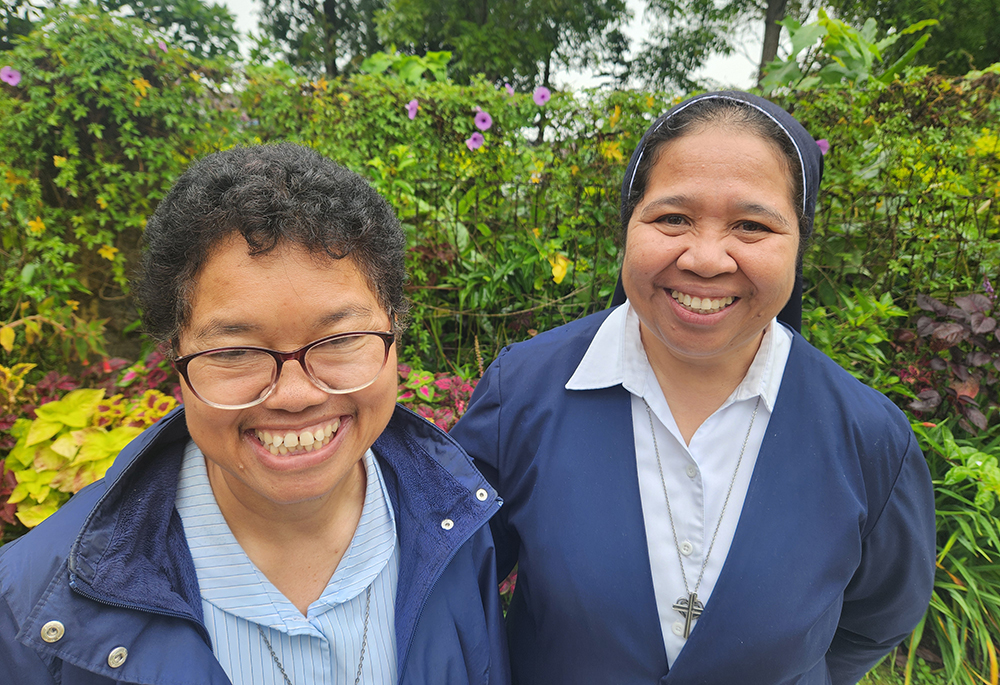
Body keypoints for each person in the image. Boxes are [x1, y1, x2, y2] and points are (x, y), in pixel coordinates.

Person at [451, 91, 936, 684]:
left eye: (752, 225)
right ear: (628, 226)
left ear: (800, 245)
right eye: (673, 218)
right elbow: (454, 581)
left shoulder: (869, 438)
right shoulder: (522, 391)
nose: (706, 259)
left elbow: (877, 618)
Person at [0, 143, 509, 685]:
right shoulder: (32, 609)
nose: (294, 395)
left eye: (339, 338)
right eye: (234, 351)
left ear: (395, 333)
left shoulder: (456, 526)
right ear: (175, 355)